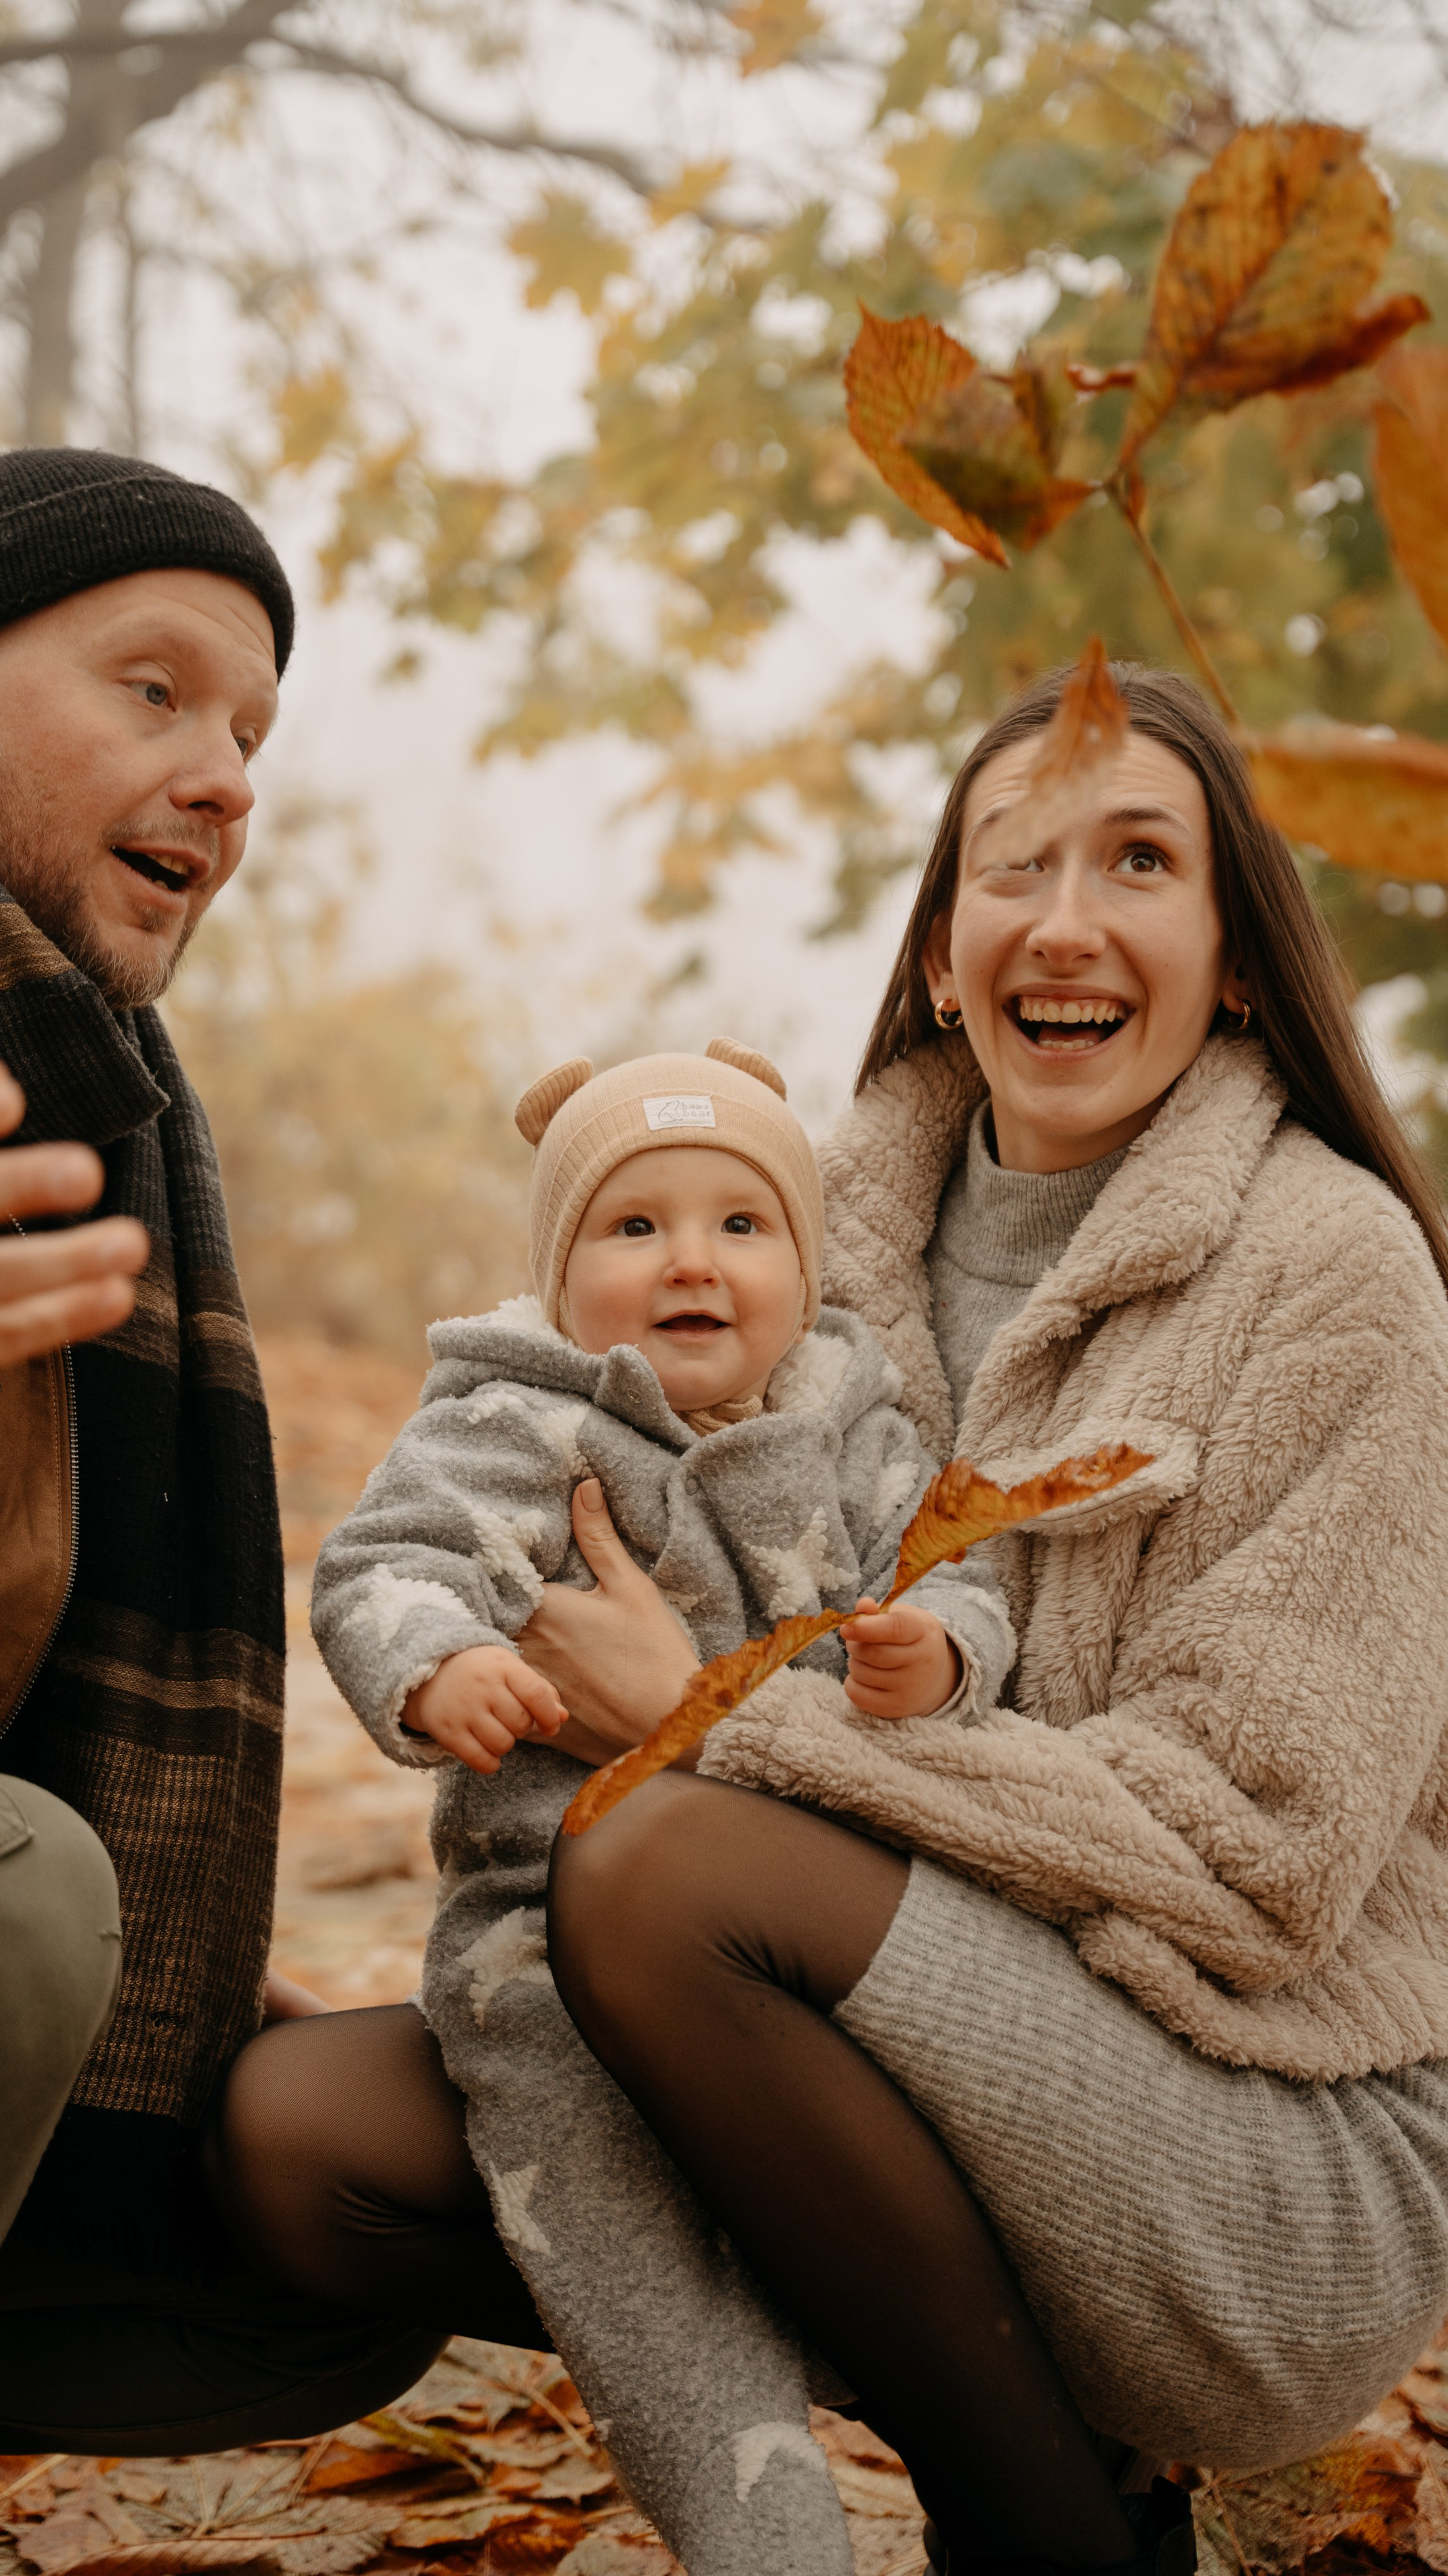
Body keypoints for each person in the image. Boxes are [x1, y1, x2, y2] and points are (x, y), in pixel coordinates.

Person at [535, 663, 1448, 2575]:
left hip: (1274, 2127)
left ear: (1243, 960)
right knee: (305, 2150)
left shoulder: (1338, 1275)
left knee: (662, 1873)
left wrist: (711, 1714)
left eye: (1139, 860)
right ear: (946, 954)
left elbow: (1256, 1851)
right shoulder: (810, 1239)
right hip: (860, 2008)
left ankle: (1048, 2534)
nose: (1066, 917)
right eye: (1011, 864)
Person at [0, 447, 450, 2576]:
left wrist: (176, 1995)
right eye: (155, 692)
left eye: (248, 732)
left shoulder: (110, 1115)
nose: (223, 776)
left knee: (315, 2230)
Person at [293, 1040, 1011, 2573]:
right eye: (633, 1228)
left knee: (891, 2160)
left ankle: (1033, 2450)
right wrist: (440, 1665)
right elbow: (384, 1562)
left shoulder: (855, 1421)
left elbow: (966, 1563)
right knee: (618, 2230)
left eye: (740, 1225)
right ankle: (762, 2533)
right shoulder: (522, 1420)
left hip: (804, 1921)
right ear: (560, 1275)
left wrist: (941, 1648)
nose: (691, 1261)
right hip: (544, 1934)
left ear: (801, 1265)